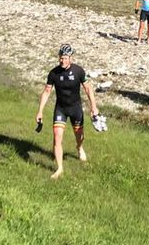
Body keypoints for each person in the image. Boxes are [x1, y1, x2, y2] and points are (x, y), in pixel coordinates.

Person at [36, 43, 101, 179]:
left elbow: (88, 89)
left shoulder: (78, 71)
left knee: (79, 136)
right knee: (57, 137)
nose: (63, 60)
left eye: (65, 58)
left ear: (71, 58)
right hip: (60, 109)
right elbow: (47, 91)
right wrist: (40, 111)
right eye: (61, 57)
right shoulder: (53, 73)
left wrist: (93, 107)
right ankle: (60, 168)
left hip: (76, 108)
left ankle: (79, 148)